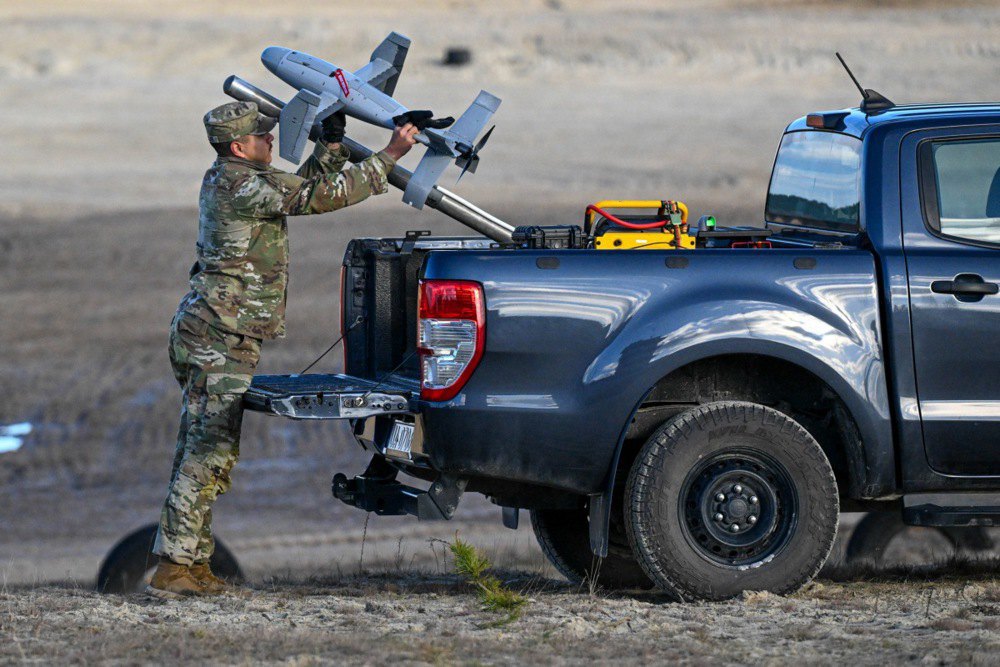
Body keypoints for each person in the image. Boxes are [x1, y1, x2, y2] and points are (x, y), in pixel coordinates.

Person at [147, 101, 419, 598]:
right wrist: (390, 155)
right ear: (239, 147)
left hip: (214, 333)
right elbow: (320, 197)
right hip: (216, 338)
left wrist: (331, 146)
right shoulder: (242, 184)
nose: (271, 141)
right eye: (262, 137)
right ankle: (173, 567)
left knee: (208, 450)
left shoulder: (237, 179)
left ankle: (191, 564)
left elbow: (301, 190)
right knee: (207, 453)